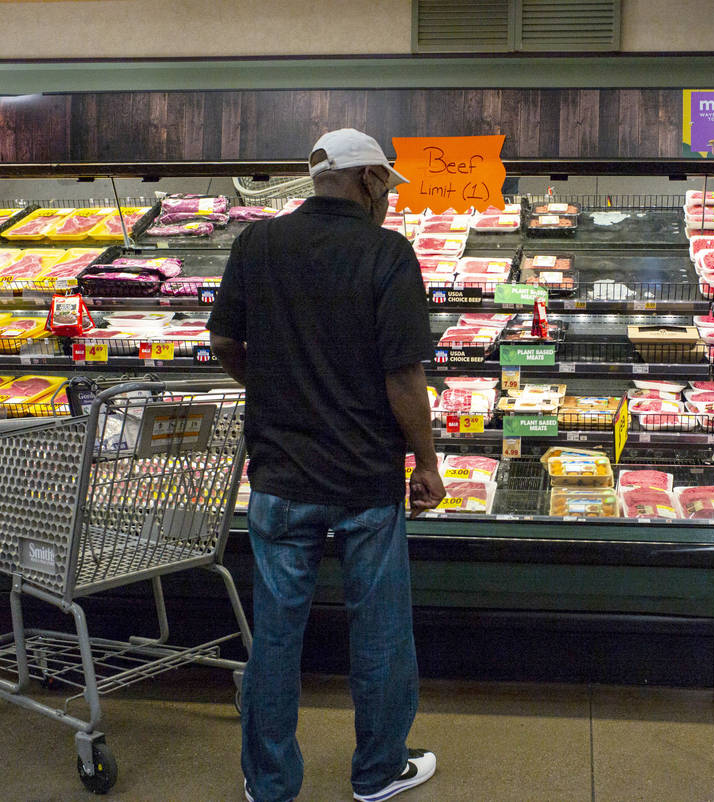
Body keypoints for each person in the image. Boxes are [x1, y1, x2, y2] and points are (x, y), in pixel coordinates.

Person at [209, 127, 445, 802]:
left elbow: (224, 338)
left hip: (280, 477)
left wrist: (270, 383)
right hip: (366, 481)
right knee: (379, 635)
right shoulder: (386, 253)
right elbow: (404, 376)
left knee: (276, 639)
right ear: (369, 180)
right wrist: (426, 462)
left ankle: (270, 782)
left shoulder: (257, 244)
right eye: (386, 189)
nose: (389, 203)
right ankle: (376, 773)